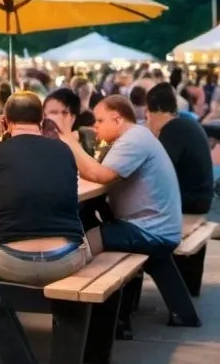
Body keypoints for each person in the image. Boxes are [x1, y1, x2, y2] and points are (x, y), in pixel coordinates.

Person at [0, 92, 90, 284]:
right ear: (41, 120)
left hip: (11, 262)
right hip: (66, 260)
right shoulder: (63, 150)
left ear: (5, 122)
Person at [60, 95, 182, 257]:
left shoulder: (133, 139)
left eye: (100, 121)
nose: (95, 125)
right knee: (88, 222)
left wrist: (68, 139)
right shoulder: (137, 135)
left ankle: (72, 275)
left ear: (117, 120)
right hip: (158, 227)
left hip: (151, 231)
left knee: (86, 241)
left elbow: (99, 175)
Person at [145, 83, 213, 215]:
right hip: (200, 198)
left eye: (147, 112)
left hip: (192, 202)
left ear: (157, 109)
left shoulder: (172, 130)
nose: (147, 119)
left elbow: (156, 171)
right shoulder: (185, 123)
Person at [43, 87, 97, 155]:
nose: (59, 117)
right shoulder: (37, 142)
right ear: (44, 115)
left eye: (64, 113)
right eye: (53, 113)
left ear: (73, 118)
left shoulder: (88, 142)